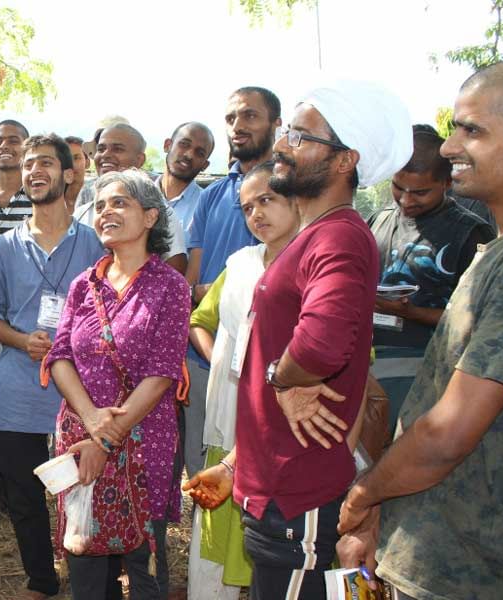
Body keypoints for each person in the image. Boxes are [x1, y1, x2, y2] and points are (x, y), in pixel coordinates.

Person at [338, 58, 503, 600]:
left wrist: (363, 495)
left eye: (473, 130)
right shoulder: (498, 254)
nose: (448, 147)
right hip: (438, 543)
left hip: (473, 565)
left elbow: (446, 434)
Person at [231, 80, 412, 599]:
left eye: (302, 136)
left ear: (344, 160)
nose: (283, 144)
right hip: (279, 477)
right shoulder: (316, 234)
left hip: (298, 483)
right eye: (287, 131)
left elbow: (320, 345)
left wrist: (282, 378)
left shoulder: (339, 236)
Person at [45, 168, 190, 600]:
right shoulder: (83, 286)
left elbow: (162, 374)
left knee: (145, 565)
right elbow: (59, 357)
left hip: (144, 441)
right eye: (101, 205)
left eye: (120, 202)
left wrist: (105, 440)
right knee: (83, 554)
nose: (106, 211)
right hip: (79, 436)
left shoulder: (171, 287)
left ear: (150, 218)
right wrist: (91, 420)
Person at [0, 133, 104, 599]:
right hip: (17, 391)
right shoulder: (3, 247)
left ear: (69, 174)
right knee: (26, 499)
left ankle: (90, 579)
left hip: (80, 394)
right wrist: (19, 339)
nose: (35, 171)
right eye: (30, 164)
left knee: (81, 492)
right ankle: (42, 582)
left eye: (46, 163)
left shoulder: (95, 244)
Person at [181, 161, 300, 600]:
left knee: (278, 548)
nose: (256, 215)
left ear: (296, 199)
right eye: (247, 207)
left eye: (266, 200)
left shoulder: (319, 266)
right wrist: (221, 363)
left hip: (288, 432)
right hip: (230, 417)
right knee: (218, 540)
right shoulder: (240, 265)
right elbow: (199, 320)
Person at [182, 86, 280, 488]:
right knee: (202, 467)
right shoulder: (213, 195)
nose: (238, 126)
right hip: (205, 352)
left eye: (250, 116)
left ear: (276, 123)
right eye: (231, 118)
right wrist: (215, 295)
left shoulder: (289, 190)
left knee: (256, 468)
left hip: (267, 361)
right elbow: (193, 284)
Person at [367, 125, 494, 428]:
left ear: (447, 182)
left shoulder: (470, 233)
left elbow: (480, 321)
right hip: (367, 364)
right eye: (398, 187)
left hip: (426, 371)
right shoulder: (377, 220)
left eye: (420, 192)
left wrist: (412, 312)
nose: (407, 200)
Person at [72, 123, 189, 274]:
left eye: (118, 149)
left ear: (140, 160)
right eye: (101, 149)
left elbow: (176, 275)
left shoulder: (160, 213)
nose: (106, 155)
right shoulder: (80, 214)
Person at [158, 122, 215, 236]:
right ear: (167, 145)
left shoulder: (207, 208)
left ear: (205, 165)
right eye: (184, 144)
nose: (189, 155)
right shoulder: (137, 195)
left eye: (199, 153)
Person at [63, 135, 89, 213]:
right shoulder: (50, 198)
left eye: (76, 158)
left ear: (87, 162)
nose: (71, 164)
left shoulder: (97, 196)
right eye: (65, 159)